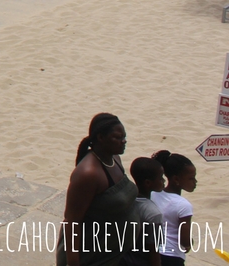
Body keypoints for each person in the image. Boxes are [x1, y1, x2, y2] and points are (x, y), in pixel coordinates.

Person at [58, 113, 135, 266]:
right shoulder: (88, 174)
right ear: (100, 137)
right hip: (93, 256)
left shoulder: (115, 159)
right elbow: (72, 221)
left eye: (124, 136)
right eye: (118, 137)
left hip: (115, 253)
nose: (123, 141)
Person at [151, 150, 196, 266]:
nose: (195, 182)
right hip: (172, 257)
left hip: (152, 252)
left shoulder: (153, 194)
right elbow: (184, 240)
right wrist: (190, 243)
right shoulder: (183, 205)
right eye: (191, 178)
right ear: (176, 179)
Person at [123, 157, 165, 266]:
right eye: (160, 178)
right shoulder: (153, 213)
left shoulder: (124, 200)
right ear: (148, 183)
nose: (164, 181)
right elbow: (153, 250)